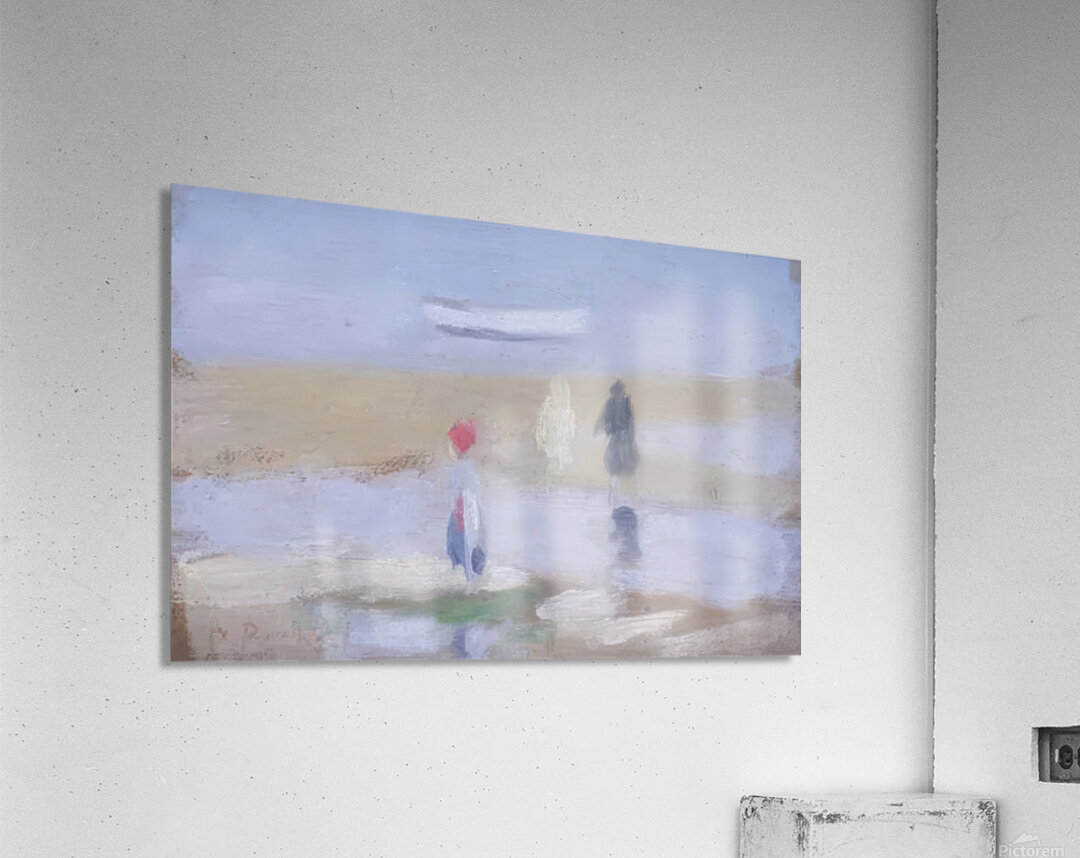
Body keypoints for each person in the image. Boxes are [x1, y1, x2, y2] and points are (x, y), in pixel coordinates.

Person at [445, 419, 486, 581]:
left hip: (463, 513)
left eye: (451, 444)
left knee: (464, 546)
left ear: (457, 447)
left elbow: (466, 497)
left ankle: (469, 579)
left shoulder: (463, 469)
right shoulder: (466, 468)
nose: (449, 447)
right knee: (458, 547)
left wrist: (462, 516)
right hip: (460, 512)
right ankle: (467, 576)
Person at [596, 380, 639, 504]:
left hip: (625, 437)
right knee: (613, 464)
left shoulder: (627, 403)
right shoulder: (610, 404)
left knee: (628, 464)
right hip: (615, 437)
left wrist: (631, 435)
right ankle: (615, 494)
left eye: (622, 391)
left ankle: (629, 493)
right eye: (620, 391)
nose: (622, 392)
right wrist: (607, 430)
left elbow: (631, 421)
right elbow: (604, 419)